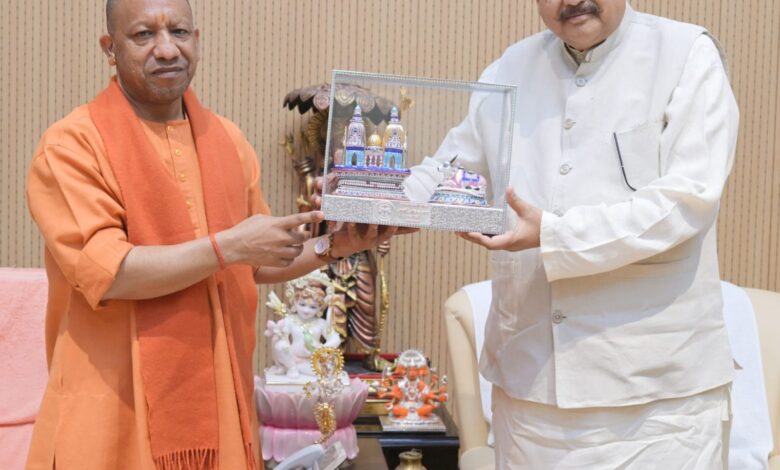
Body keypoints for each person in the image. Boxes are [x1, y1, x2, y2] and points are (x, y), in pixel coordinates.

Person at [24, 0, 397, 469]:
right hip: (111, 412)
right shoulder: (72, 145)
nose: (166, 49)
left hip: (218, 403)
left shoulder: (227, 141)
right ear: (110, 48)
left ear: (196, 41)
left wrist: (338, 244)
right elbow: (112, 273)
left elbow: (255, 261)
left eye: (179, 32)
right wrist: (229, 246)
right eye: (143, 35)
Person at [406, 0, 739, 468]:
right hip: (530, 398)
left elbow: (686, 203)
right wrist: (370, 199)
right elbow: (452, 171)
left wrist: (554, 233)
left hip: (657, 405)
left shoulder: (685, 54)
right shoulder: (510, 67)